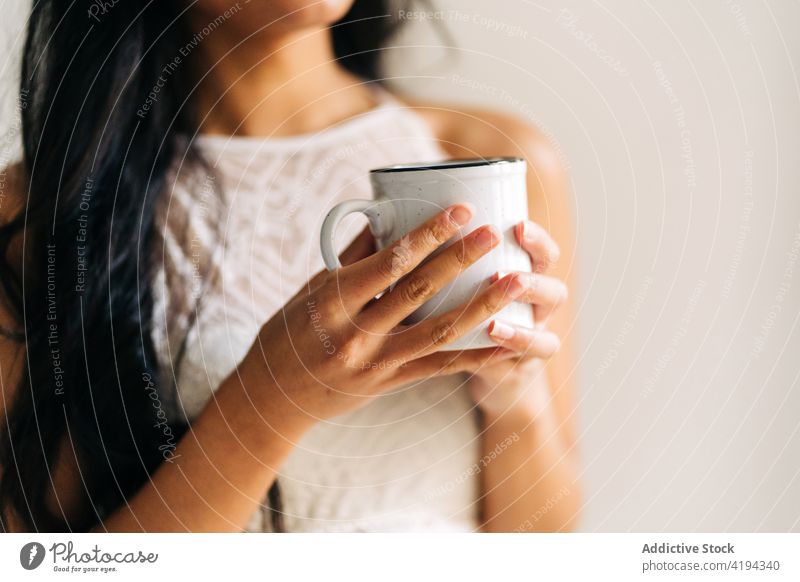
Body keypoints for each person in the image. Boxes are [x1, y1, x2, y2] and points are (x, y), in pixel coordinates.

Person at [0, 0, 579, 532]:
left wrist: (516, 404)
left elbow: (543, 538)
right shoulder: (41, 215)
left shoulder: (489, 161)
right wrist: (270, 401)